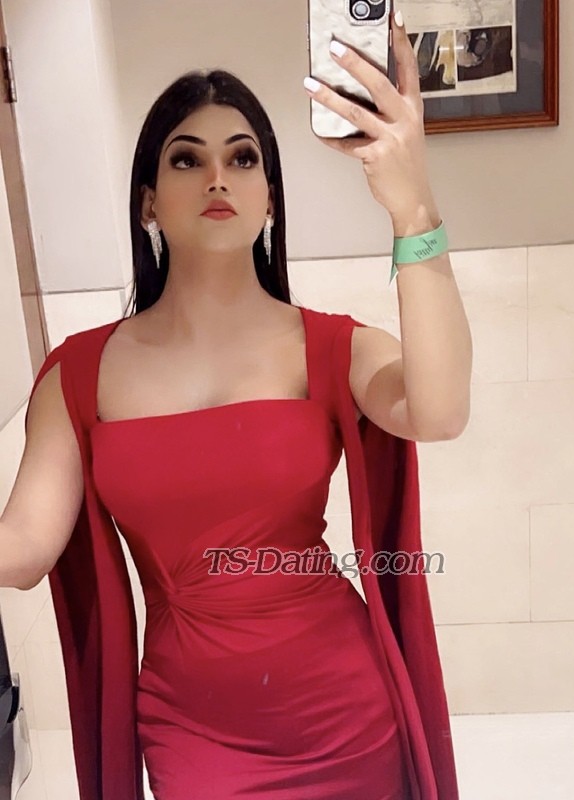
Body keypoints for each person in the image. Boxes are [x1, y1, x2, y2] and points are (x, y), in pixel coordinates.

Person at [1, 31, 469, 799]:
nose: (218, 176)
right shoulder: (79, 375)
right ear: (148, 200)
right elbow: (22, 549)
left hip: (345, 713)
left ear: (269, 197)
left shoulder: (334, 348)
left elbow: (440, 411)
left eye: (243, 158)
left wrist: (412, 206)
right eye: (186, 159)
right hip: (193, 728)